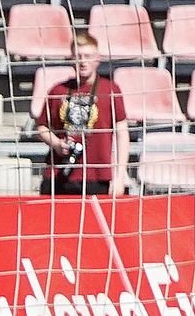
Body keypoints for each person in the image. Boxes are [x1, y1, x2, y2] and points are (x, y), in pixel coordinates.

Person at [34, 31, 128, 195]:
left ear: (98, 59)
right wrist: (56, 144)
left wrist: (120, 177)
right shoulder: (58, 90)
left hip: (97, 176)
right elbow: (42, 127)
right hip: (59, 174)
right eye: (79, 56)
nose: (83, 61)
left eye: (88, 56)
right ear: (71, 59)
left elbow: (122, 133)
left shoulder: (111, 90)